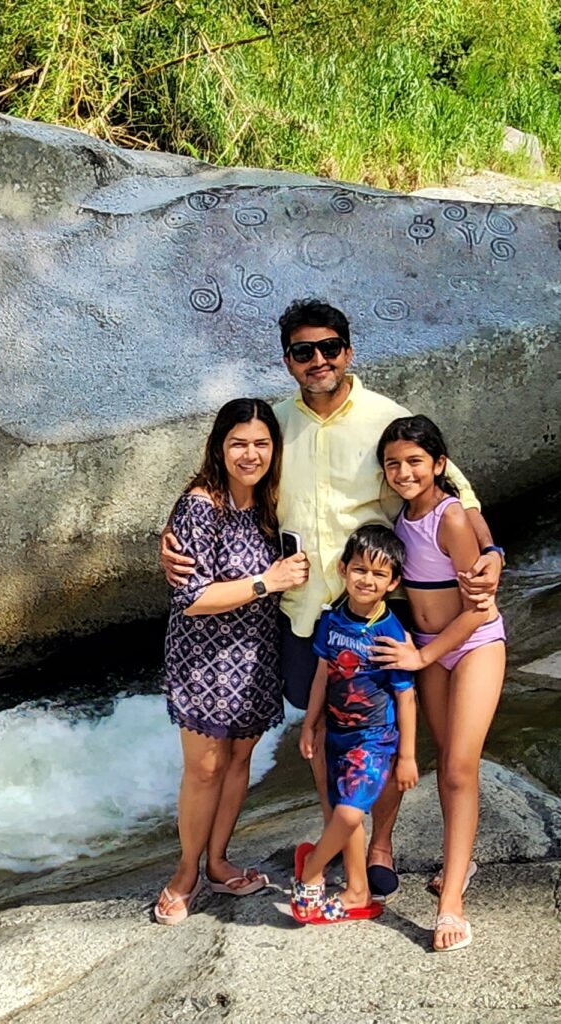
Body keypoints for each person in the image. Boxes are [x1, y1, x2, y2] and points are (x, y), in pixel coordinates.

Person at [161, 299, 503, 900]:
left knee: (386, 733)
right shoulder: (277, 426)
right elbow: (226, 479)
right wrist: (170, 539)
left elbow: (451, 483)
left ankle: (378, 845)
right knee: (326, 732)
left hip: (373, 607)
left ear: (347, 350)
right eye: (302, 351)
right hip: (300, 613)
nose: (317, 360)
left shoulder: (384, 417)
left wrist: (491, 549)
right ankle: (339, 835)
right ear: (288, 359)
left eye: (328, 348)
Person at [155, 398, 309, 925]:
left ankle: (218, 862)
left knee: (239, 763)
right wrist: (269, 581)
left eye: (261, 444)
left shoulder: (270, 501)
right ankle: (185, 872)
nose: (250, 454)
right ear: (219, 448)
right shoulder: (202, 504)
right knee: (204, 769)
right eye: (239, 443)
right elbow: (190, 598)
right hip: (204, 658)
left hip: (256, 653)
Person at [370, 415, 506, 951]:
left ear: (439, 466)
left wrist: (423, 654)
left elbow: (479, 609)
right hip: (430, 653)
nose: (404, 472)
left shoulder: (450, 519)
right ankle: (460, 864)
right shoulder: (401, 519)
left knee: (456, 768)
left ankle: (451, 903)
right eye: (393, 463)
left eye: (415, 462)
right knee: (446, 759)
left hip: (472, 646)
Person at [291, 525, 417, 923]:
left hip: (375, 739)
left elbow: (406, 696)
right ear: (344, 569)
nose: (367, 579)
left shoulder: (390, 633)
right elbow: (321, 677)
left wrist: (407, 756)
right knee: (339, 809)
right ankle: (357, 891)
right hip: (336, 733)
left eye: (379, 574)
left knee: (349, 813)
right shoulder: (331, 622)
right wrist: (309, 725)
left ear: (393, 582)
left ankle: (312, 869)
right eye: (360, 569)